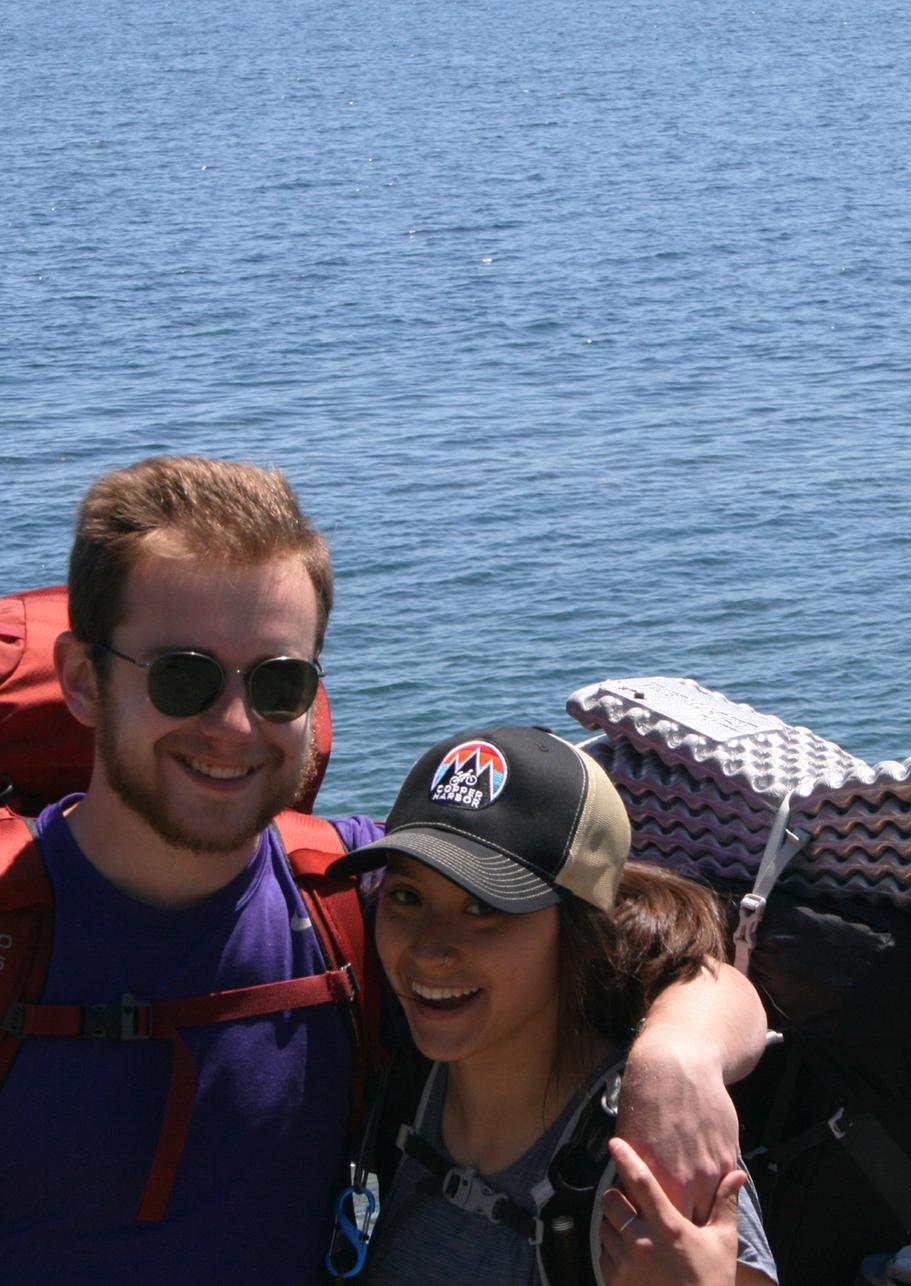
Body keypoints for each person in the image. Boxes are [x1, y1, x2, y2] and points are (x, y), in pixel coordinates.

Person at [0, 456, 766, 1284]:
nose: (234, 725)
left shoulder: (356, 895)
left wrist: (676, 1057)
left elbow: (670, 955)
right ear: (82, 678)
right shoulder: (21, 923)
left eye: (279, 682)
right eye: (183, 677)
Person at [327, 725, 777, 1285]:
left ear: (581, 930)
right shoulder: (405, 1065)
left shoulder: (651, 1149)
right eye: (406, 896)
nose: (428, 951)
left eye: (482, 908)